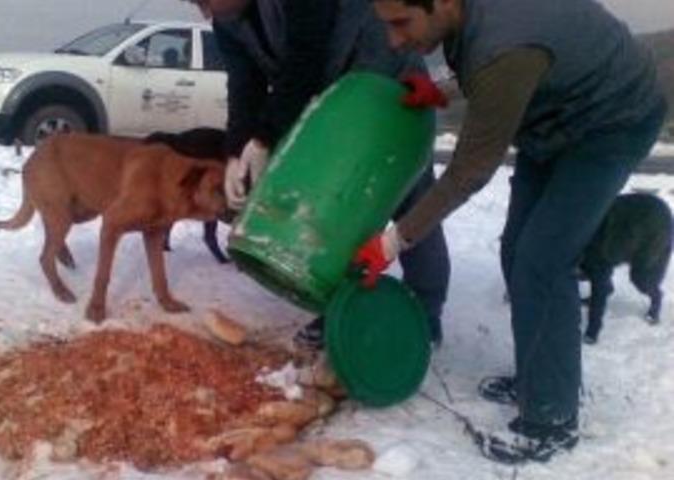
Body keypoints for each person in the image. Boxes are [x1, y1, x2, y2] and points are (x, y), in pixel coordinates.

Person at [357, 0, 668, 464]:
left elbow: (467, 172)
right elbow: (491, 80)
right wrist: (439, 91)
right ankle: (540, 378)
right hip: (556, 115)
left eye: (402, 23)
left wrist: (392, 241)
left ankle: (551, 419)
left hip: (611, 124)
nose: (394, 41)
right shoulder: (475, 23)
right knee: (517, 252)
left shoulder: (504, 45)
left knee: (542, 261)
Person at [183, 0, 452, 346]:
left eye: (205, 0)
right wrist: (236, 150)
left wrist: (266, 137)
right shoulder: (228, 20)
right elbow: (243, 84)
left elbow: (306, 57)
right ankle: (338, 309)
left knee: (409, 197)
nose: (204, 12)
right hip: (329, 96)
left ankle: (426, 311)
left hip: (386, 80)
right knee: (335, 208)